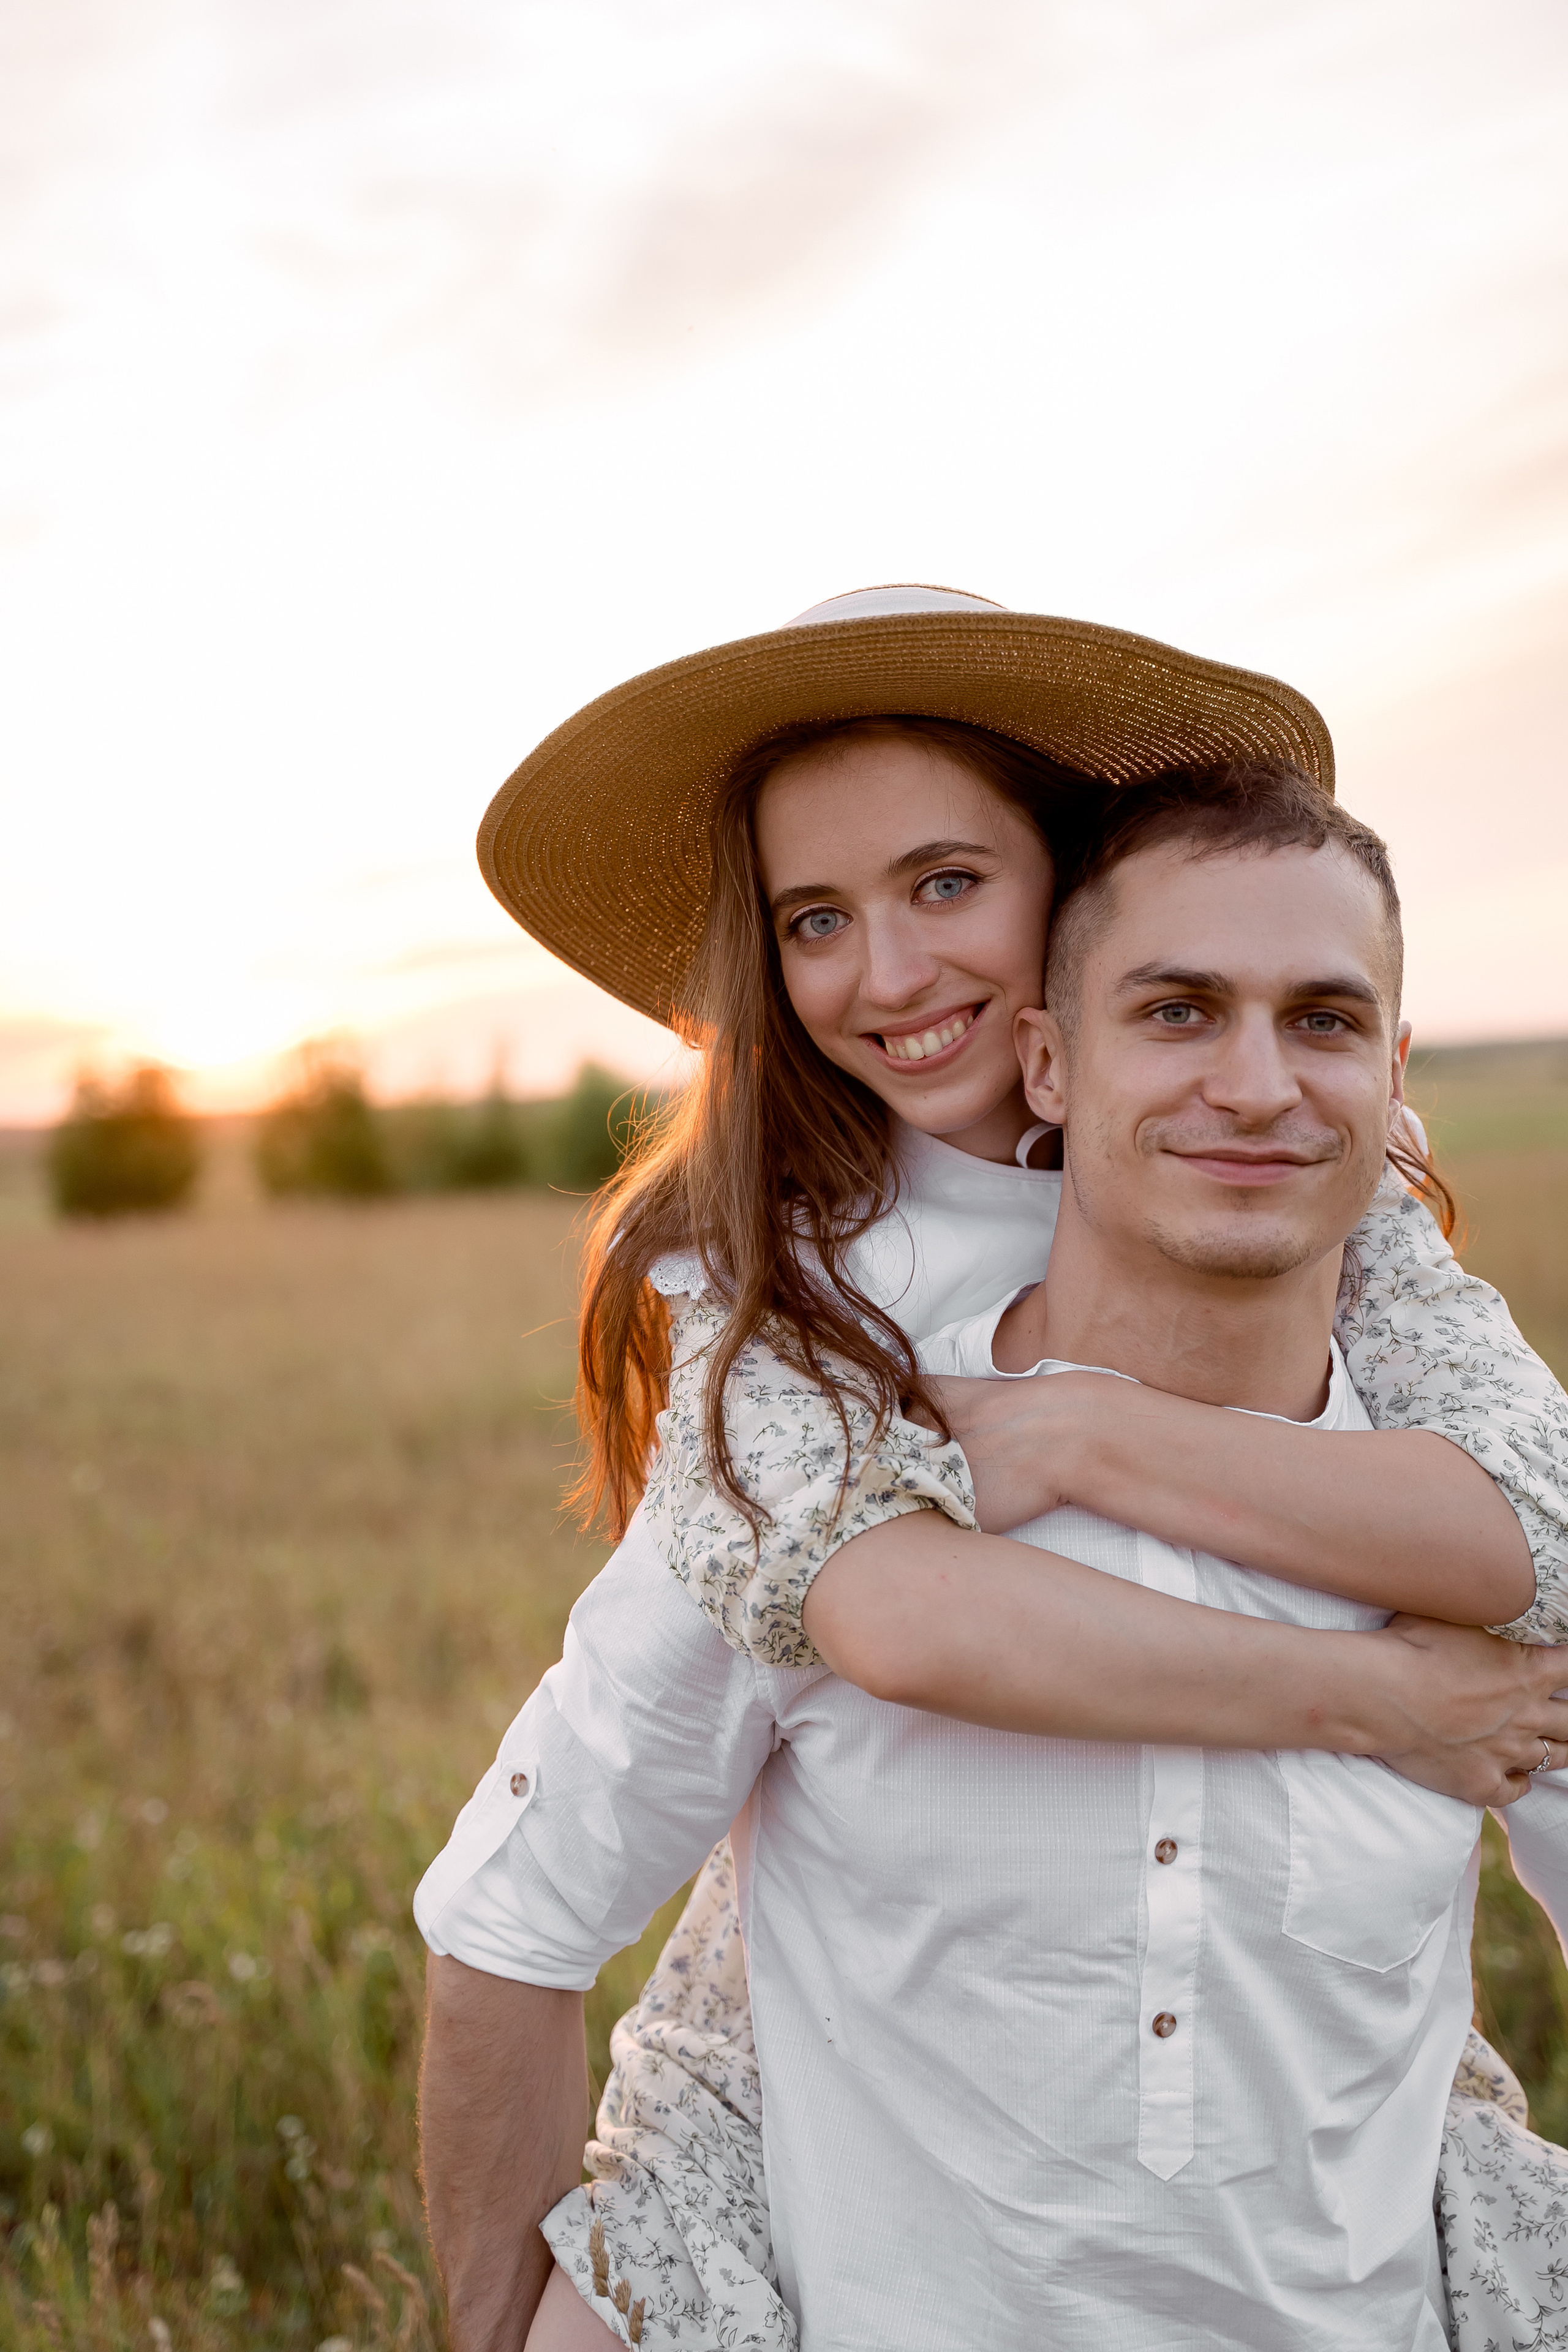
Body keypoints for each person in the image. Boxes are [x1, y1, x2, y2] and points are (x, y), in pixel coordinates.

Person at [417, 590, 1568, 2348]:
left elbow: (1521, 1527)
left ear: (1066, 885)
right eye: (818, 918)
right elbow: (880, 1614)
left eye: (947, 884)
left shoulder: (1346, 1218)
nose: (888, 975)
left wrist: (1101, 1432)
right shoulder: (801, 1314)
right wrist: (1376, 1702)